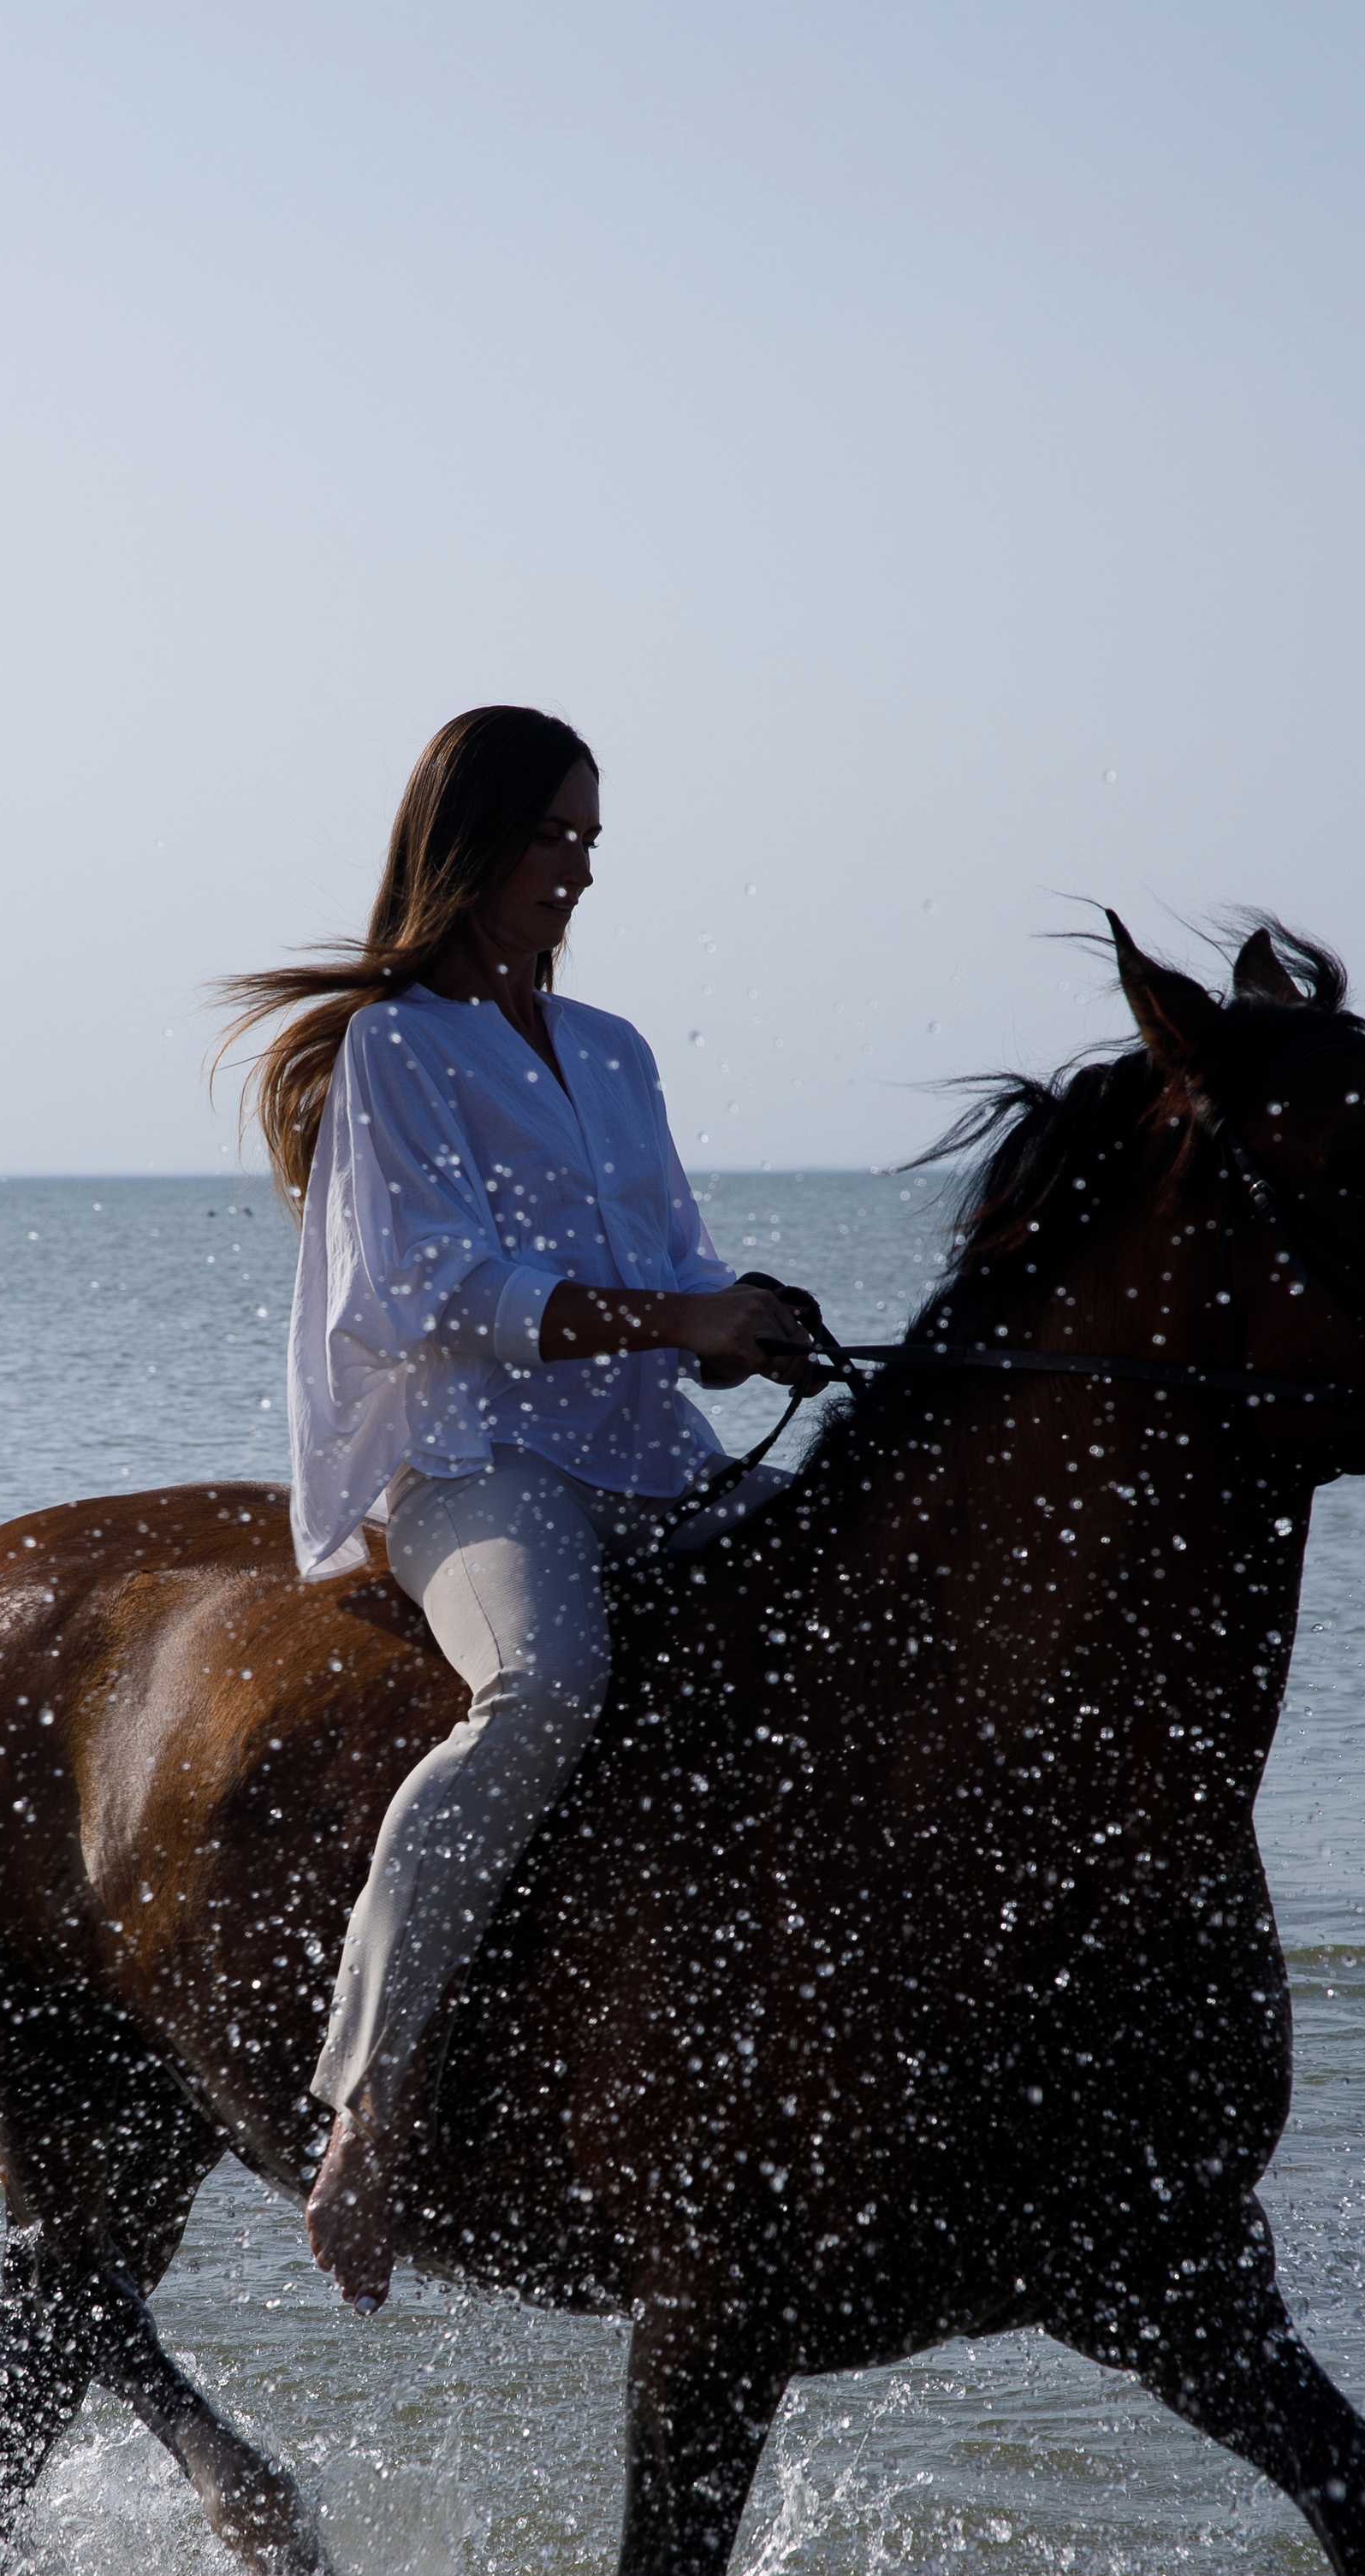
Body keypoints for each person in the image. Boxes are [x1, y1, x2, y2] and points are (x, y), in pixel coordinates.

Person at [216, 707, 820, 2312]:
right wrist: (681, 1323)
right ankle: (372, 2102)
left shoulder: (613, 1049)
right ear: (471, 845)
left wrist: (745, 1314)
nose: (579, 871)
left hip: (647, 1454)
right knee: (545, 1686)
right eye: (555, 839)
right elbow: (437, 1292)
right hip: (473, 1463)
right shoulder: (395, 1049)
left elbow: (677, 1266)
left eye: (594, 843)